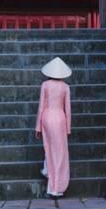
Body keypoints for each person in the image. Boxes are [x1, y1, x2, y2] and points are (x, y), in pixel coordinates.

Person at [35, 57, 72, 198]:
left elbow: (41, 107)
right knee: (60, 152)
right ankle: (56, 188)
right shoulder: (65, 87)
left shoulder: (45, 85)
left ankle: (47, 171)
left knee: (49, 148)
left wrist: (37, 126)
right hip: (60, 118)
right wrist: (68, 128)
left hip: (47, 117)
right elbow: (68, 109)